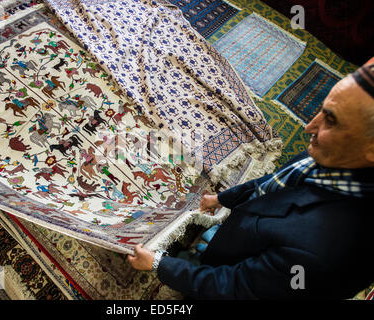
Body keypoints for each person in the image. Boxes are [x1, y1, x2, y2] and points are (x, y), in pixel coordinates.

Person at [127, 61, 374, 299]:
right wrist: (222, 199)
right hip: (241, 243)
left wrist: (158, 264)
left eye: (330, 120)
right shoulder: (336, 156)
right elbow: (272, 184)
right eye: (321, 110)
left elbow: (233, 287)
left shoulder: (320, 255)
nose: (309, 127)